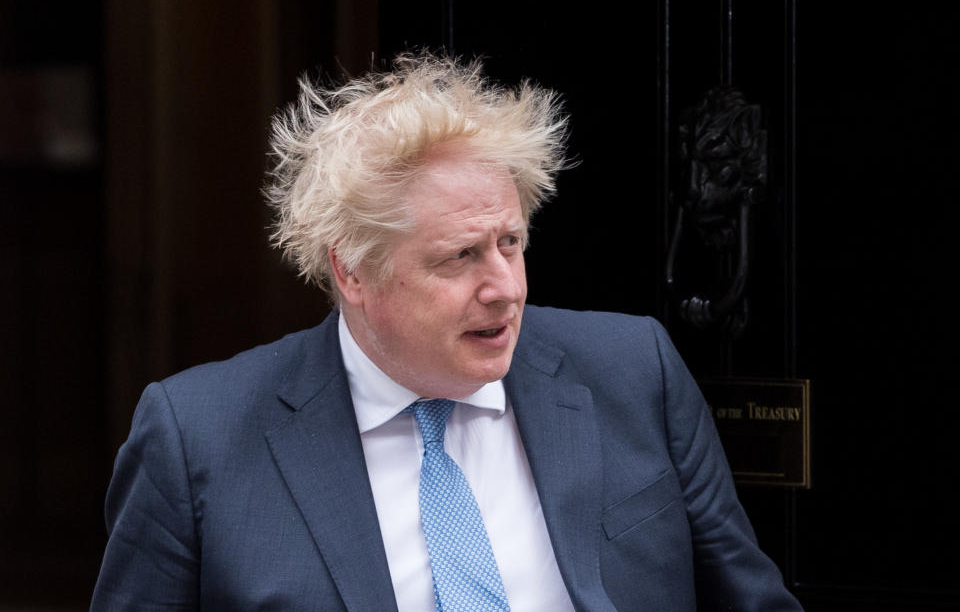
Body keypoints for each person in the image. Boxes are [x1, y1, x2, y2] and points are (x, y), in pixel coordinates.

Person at [91, 53, 803, 611]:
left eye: (511, 243)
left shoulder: (631, 371)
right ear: (354, 275)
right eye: (460, 256)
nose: (506, 286)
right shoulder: (198, 439)